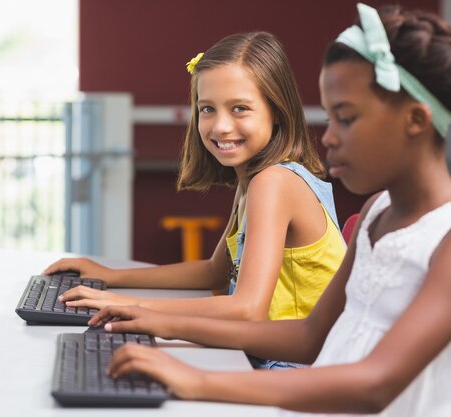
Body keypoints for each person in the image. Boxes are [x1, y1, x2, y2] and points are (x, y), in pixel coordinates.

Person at [88, 3, 451, 415]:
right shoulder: (375, 213)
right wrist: (148, 318)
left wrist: (195, 376)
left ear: (417, 121)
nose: (328, 138)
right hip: (313, 388)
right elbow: (311, 335)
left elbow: (376, 384)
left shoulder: (444, 239)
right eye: (329, 118)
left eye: (345, 119)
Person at [44, 33, 346, 369]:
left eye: (240, 108)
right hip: (263, 357)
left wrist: (128, 304)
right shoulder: (254, 179)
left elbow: (247, 310)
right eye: (207, 109)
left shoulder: (274, 182)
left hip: (296, 370)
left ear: (277, 111)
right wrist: (109, 275)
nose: (221, 126)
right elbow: (214, 273)